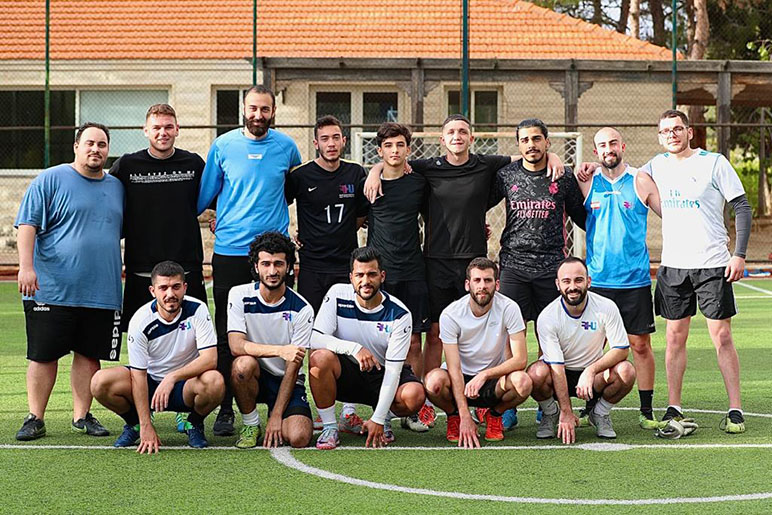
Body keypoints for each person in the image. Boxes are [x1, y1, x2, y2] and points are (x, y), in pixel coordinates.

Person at [364, 114, 563, 428]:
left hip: (474, 263)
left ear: (472, 138)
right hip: (435, 261)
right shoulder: (428, 168)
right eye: (450, 132)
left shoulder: (486, 165)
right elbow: (395, 164)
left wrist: (551, 154)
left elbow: (522, 156)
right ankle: (427, 403)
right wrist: (374, 171)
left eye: (463, 132)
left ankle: (492, 398)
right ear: (442, 140)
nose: (457, 136)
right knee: (435, 334)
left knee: (490, 329)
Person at [196, 85, 302, 436]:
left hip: (274, 254)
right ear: (243, 110)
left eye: (265, 110)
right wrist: (218, 216)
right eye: (253, 108)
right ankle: (227, 406)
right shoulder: (223, 146)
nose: (258, 115)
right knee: (229, 332)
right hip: (229, 252)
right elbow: (205, 196)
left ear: (273, 112)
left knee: (282, 327)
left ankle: (284, 401)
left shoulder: (287, 148)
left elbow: (292, 192)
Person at [641, 110, 751, 433]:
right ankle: (673, 406)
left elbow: (742, 207)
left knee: (723, 336)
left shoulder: (713, 163)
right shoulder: (656, 166)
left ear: (690, 132)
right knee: (675, 337)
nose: (672, 134)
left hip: (713, 263)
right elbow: (632, 177)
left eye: (678, 129)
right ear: (660, 136)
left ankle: (735, 409)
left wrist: (739, 254)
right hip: (674, 266)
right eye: (665, 131)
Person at [15, 122, 123, 441]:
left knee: (89, 355)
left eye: (102, 144)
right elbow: (27, 224)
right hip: (52, 288)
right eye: (89, 143)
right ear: (76, 146)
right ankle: (35, 416)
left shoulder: (116, 186)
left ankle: (82, 416)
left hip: (101, 291)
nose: (96, 149)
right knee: (43, 355)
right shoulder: (50, 179)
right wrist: (25, 267)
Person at [489, 118, 586, 430]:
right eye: (525, 140)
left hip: (550, 268)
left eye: (536, 139)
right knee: (509, 337)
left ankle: (548, 405)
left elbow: (584, 216)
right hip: (514, 266)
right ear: (518, 145)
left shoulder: (563, 176)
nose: (531, 145)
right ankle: (508, 404)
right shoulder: (506, 175)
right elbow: (475, 201)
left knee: (548, 337)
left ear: (547, 142)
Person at [578, 127, 662, 430]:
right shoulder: (587, 182)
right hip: (598, 280)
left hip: (634, 280)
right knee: (595, 347)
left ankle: (646, 409)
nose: (608, 148)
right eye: (601, 145)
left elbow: (673, 214)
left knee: (639, 345)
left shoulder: (640, 180)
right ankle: (591, 406)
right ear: (595, 150)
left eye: (613, 143)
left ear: (622, 145)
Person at [90, 261, 224, 451]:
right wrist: (146, 426)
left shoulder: (198, 309)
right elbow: (138, 375)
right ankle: (135, 424)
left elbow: (210, 359)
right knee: (100, 382)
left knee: (215, 381)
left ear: (184, 287)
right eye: (163, 288)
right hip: (150, 383)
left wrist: (173, 377)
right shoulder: (140, 320)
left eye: (176, 287)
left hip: (184, 385)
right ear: (153, 291)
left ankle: (193, 423)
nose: (170, 294)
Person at [309, 247, 426, 450]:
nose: (365, 281)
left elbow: (393, 371)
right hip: (347, 375)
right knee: (319, 358)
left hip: (382, 375)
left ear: (382, 276)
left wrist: (379, 418)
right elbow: (314, 338)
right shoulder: (337, 294)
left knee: (414, 395)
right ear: (351, 277)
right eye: (359, 275)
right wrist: (353, 348)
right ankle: (330, 427)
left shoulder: (400, 314)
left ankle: (384, 418)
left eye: (372, 274)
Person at [110, 104, 208, 334]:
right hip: (142, 269)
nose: (162, 133)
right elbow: (102, 196)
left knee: (193, 335)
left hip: (186, 268)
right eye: (156, 128)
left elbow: (218, 200)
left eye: (168, 127)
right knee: (141, 336)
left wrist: (219, 220)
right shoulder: (127, 165)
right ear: (145, 130)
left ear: (177, 129)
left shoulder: (193, 164)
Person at [365, 122, 431, 432]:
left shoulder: (419, 183)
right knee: (380, 340)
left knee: (414, 340)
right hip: (380, 273)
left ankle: (411, 409)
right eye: (388, 146)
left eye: (399, 145)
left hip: (413, 268)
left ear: (408, 148)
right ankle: (383, 408)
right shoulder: (369, 186)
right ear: (379, 151)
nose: (394, 151)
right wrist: (373, 171)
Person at [424, 257, 531, 448]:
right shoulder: (451, 314)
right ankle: (454, 416)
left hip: (493, 380)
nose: (482, 286)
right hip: (459, 379)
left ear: (497, 285)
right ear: (467, 285)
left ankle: (495, 415)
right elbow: (454, 368)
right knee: (433, 382)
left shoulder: (510, 308)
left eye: (488, 280)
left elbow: (520, 359)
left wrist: (484, 374)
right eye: (477, 280)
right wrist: (465, 416)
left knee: (523, 383)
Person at [527, 257, 636, 444]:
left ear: (589, 281)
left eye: (578, 280)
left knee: (626, 371)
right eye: (566, 281)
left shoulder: (606, 307)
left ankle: (599, 414)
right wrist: (566, 412)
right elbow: (556, 366)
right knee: (535, 374)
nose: (572, 287)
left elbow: (621, 349)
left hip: (593, 376)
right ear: (557, 284)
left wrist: (591, 370)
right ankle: (551, 414)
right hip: (558, 374)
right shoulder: (548, 316)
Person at [228, 232, 314, 449]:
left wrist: (276, 416)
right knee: (242, 365)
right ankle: (250, 423)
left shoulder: (302, 309)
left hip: (287, 379)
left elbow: (293, 368)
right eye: (265, 264)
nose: (272, 271)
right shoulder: (239, 295)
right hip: (254, 375)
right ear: (256, 267)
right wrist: (280, 350)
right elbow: (236, 345)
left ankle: (279, 415)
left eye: (278, 264)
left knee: (299, 438)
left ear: (288, 267)